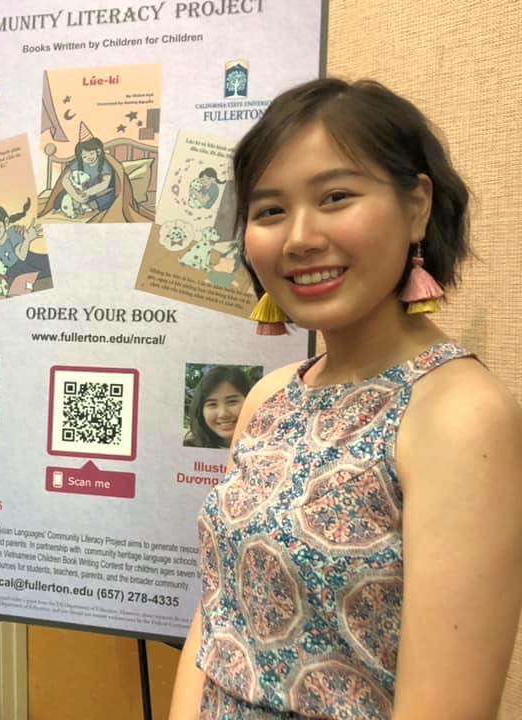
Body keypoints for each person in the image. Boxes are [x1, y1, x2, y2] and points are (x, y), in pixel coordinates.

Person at [170, 78, 522, 719]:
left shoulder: (459, 416)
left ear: (417, 206)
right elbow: (218, 615)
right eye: (270, 210)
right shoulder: (272, 396)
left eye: (335, 197)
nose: (298, 237)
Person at [184, 366, 253, 448]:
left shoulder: (266, 450)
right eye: (212, 404)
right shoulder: (187, 451)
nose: (223, 413)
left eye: (232, 402)